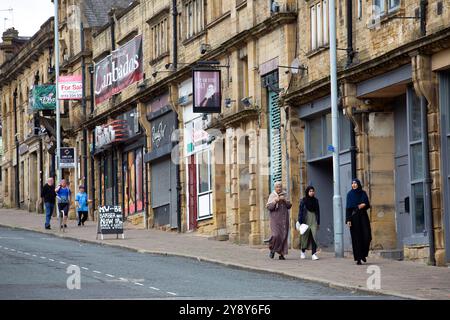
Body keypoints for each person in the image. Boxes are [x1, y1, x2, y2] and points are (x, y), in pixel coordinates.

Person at [346, 179, 372, 265]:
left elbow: (367, 204)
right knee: (356, 238)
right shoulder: (349, 194)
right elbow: (348, 208)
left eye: (355, 183)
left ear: (358, 184)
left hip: (363, 216)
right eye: (352, 183)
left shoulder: (363, 193)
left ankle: (363, 254)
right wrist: (348, 220)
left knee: (367, 236)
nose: (353, 185)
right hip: (353, 217)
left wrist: (363, 205)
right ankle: (358, 258)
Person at [266, 181, 292, 260]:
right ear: (274, 188)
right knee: (276, 235)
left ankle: (282, 254)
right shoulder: (272, 195)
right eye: (277, 187)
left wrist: (284, 200)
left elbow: (289, 206)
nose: (279, 188)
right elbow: (269, 207)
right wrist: (275, 201)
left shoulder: (285, 195)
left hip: (284, 219)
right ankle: (272, 249)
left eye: (280, 186)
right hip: (275, 219)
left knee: (283, 236)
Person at [298, 186, 320, 261]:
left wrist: (318, 222)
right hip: (305, 220)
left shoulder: (316, 200)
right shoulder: (303, 200)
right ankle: (303, 251)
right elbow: (300, 212)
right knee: (304, 237)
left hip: (313, 219)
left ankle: (313, 254)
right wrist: (300, 221)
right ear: (307, 192)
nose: (312, 192)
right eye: (310, 191)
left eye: (313, 191)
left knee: (314, 236)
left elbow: (318, 211)